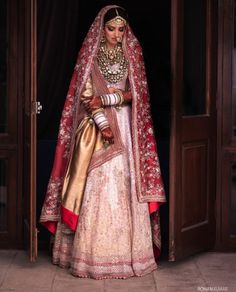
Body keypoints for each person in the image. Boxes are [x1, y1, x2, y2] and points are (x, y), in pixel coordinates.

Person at [40, 5, 166, 280]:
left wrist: (110, 99)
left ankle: (129, 255)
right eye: (111, 29)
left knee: (126, 182)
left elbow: (137, 95)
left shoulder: (132, 55)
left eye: (121, 30)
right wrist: (103, 123)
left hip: (126, 128)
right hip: (98, 127)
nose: (116, 34)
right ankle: (90, 257)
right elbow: (86, 96)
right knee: (97, 183)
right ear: (101, 29)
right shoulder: (91, 57)